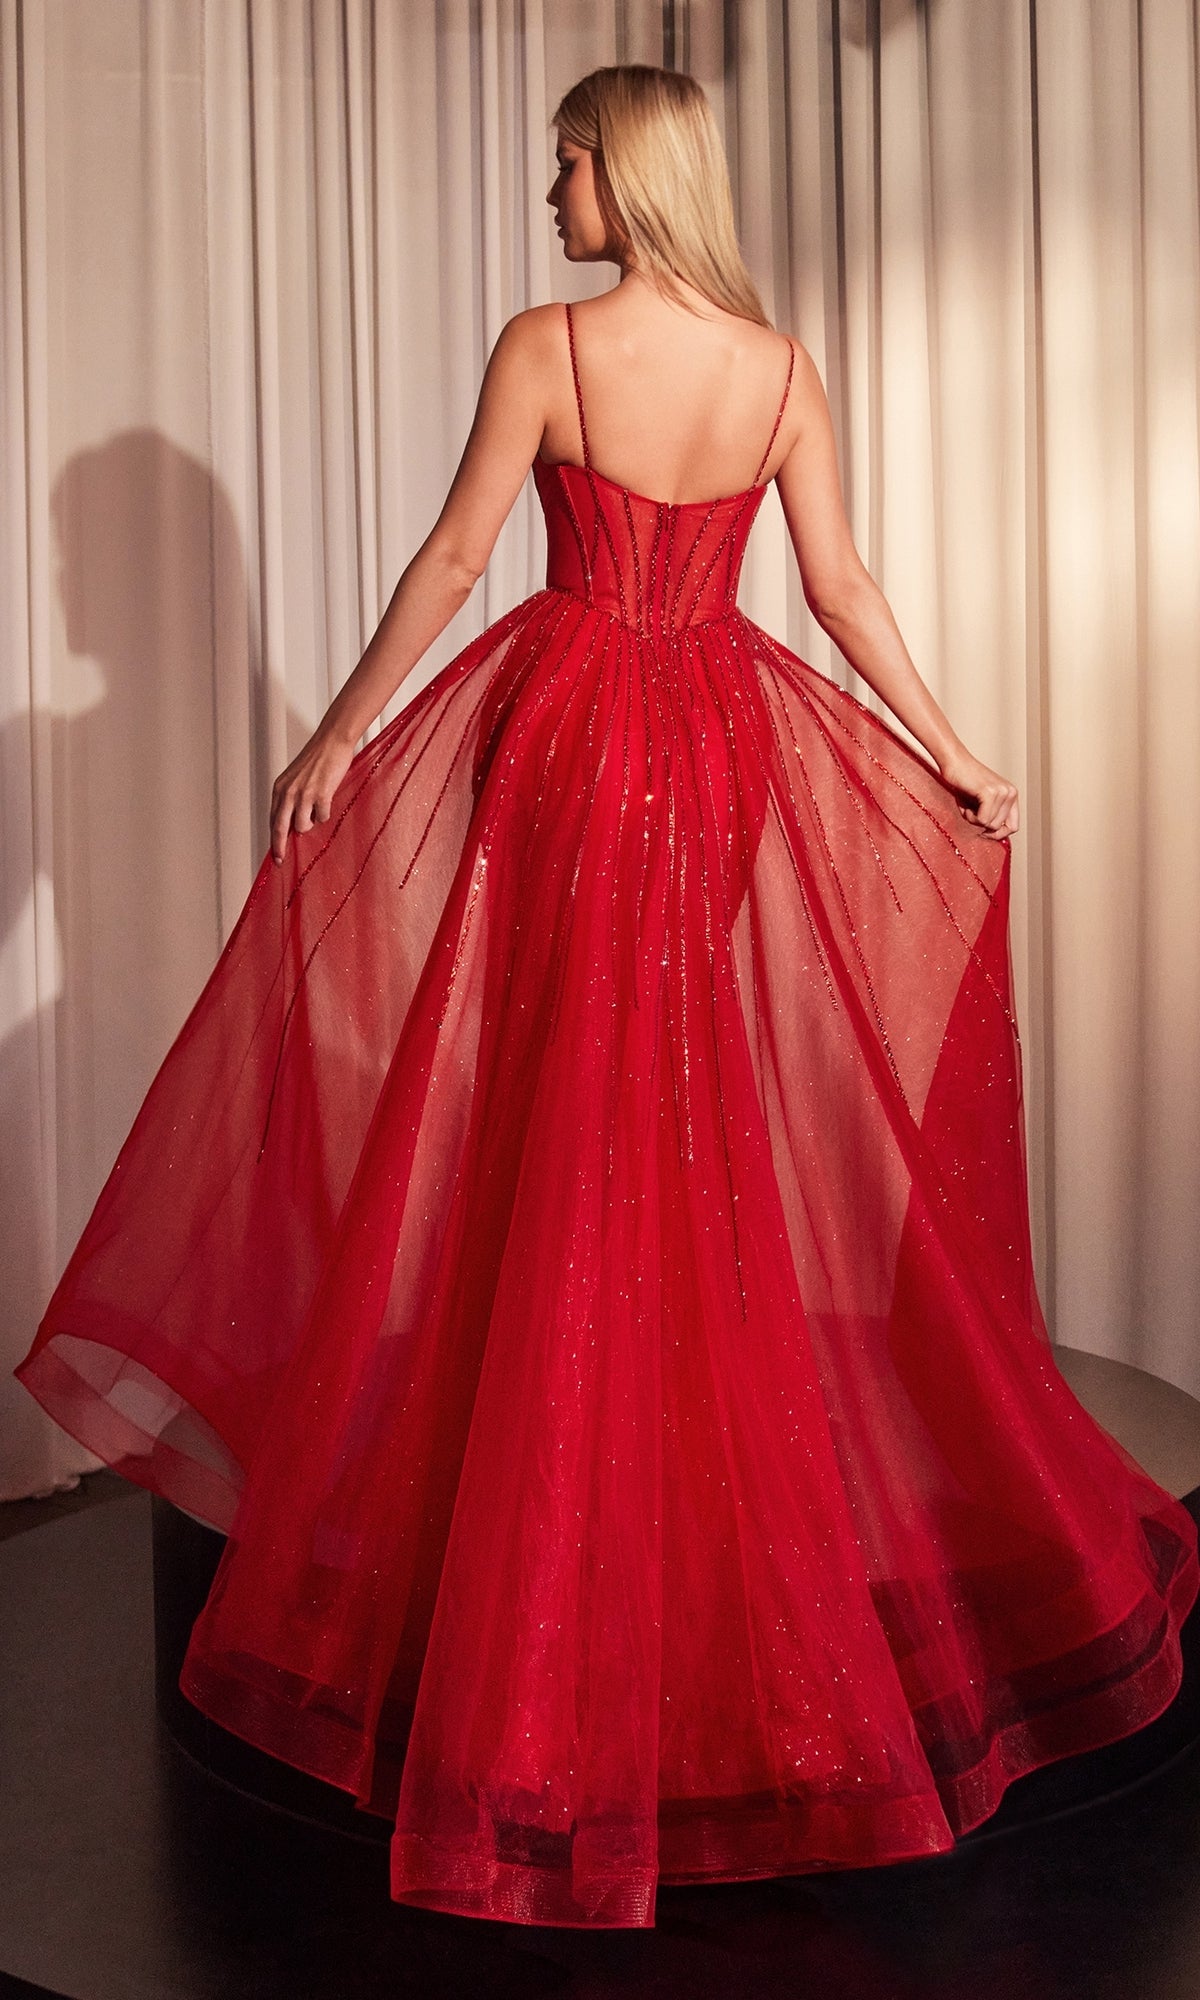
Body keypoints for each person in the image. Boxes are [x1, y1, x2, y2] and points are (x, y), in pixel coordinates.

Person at [13, 64, 1198, 1932]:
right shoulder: (781, 370)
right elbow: (839, 589)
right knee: (673, 1086)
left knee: (555, 1087)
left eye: (564, 161)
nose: (547, 190)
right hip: (718, 743)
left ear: (623, 173)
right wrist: (953, 747)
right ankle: (645, 1416)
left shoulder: (553, 346)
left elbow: (457, 557)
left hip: (571, 735)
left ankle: (563, 1456)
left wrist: (346, 733)